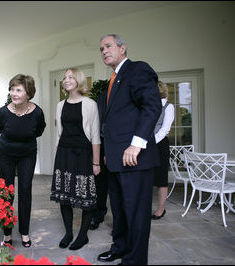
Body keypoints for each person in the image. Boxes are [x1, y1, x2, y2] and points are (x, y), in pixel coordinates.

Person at [97, 34, 162, 265]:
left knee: (136, 213)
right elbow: (113, 120)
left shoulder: (137, 70)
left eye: (108, 46)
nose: (104, 50)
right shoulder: (113, 80)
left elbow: (152, 106)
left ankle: (134, 261)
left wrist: (137, 143)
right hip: (115, 159)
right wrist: (108, 152)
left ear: (123, 48)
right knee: (120, 210)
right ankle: (121, 247)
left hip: (136, 158)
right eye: (101, 48)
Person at [50, 68, 101, 251]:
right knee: (64, 196)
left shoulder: (90, 104)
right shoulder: (60, 105)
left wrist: (96, 163)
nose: (66, 80)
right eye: (64, 77)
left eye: (70, 76)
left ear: (79, 80)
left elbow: (95, 136)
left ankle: (83, 235)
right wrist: (57, 154)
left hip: (83, 154)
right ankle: (69, 233)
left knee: (85, 195)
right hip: (64, 152)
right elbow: (59, 133)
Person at [0, 74, 46, 248]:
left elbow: (39, 130)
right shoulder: (3, 112)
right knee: (6, 192)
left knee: (25, 191)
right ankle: (7, 234)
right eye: (12, 89)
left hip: (27, 155)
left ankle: (24, 232)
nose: (13, 93)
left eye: (18, 90)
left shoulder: (37, 112)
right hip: (6, 154)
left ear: (28, 93)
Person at [151, 81, 175, 220]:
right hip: (145, 144)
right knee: (146, 178)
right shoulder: (148, 105)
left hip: (159, 145)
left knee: (161, 180)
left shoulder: (168, 106)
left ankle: (160, 210)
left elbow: (165, 129)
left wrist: (150, 142)